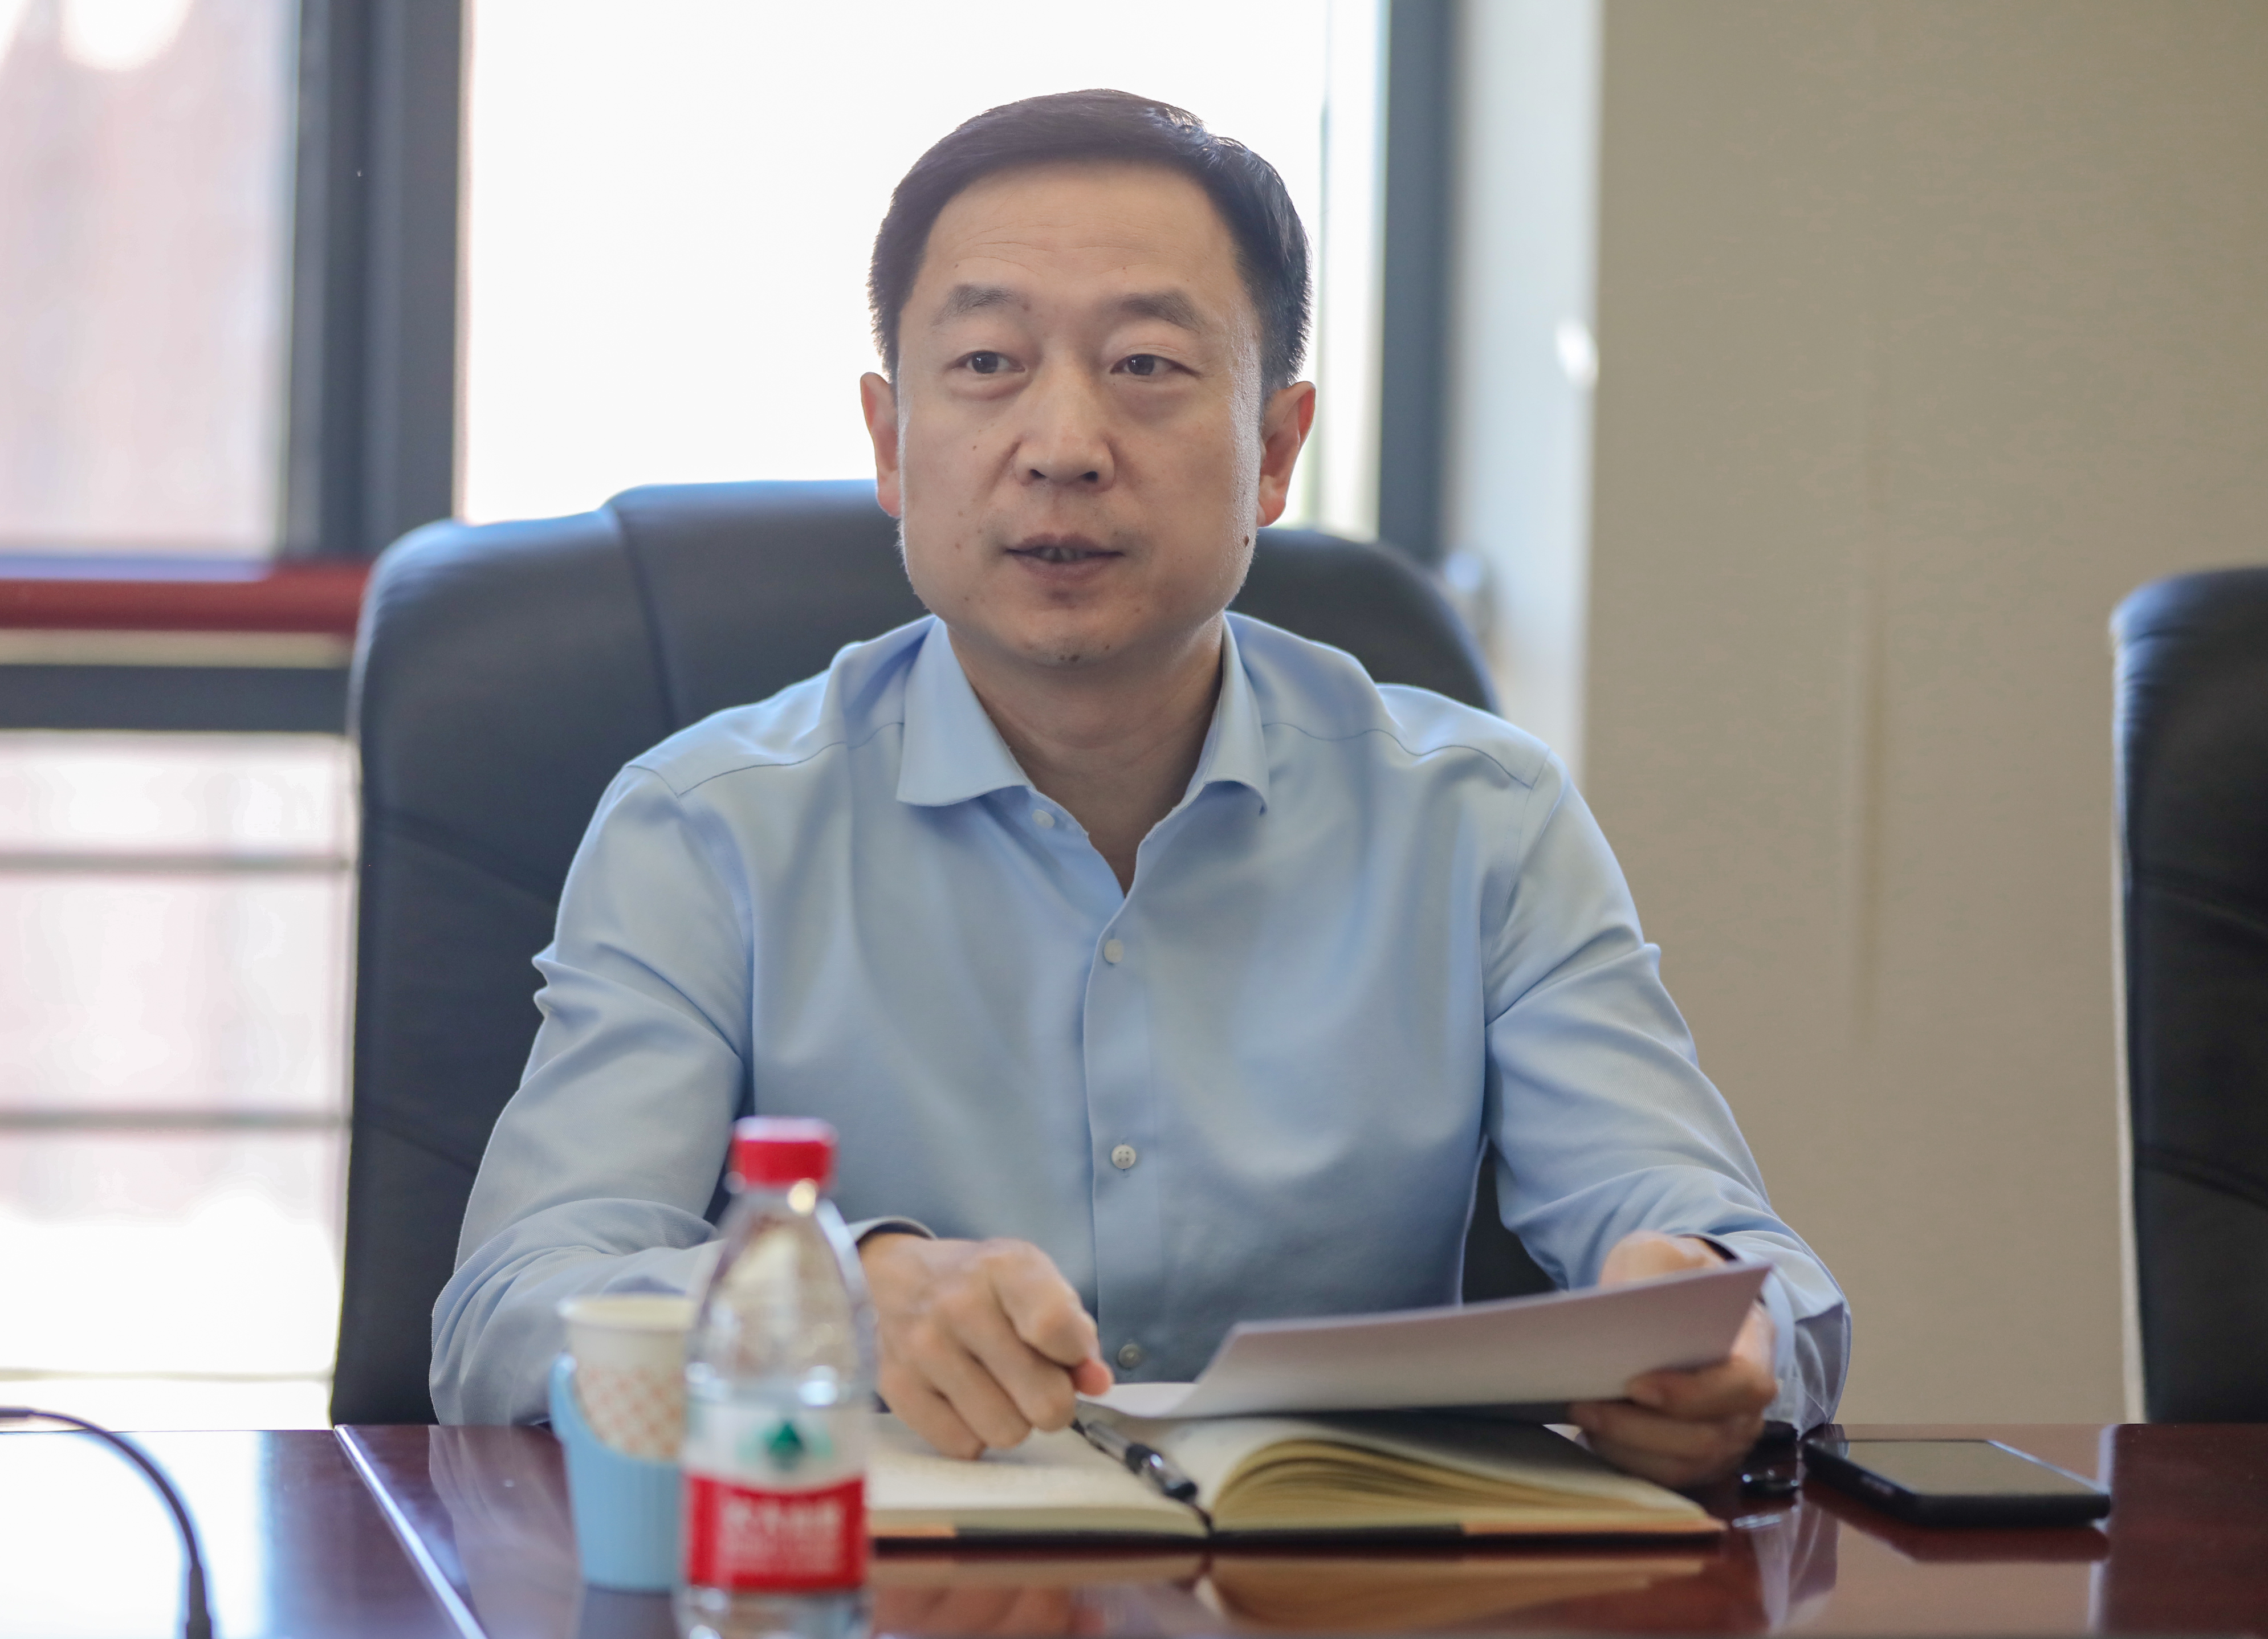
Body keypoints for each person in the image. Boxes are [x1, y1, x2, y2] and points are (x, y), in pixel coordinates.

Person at [432, 89, 1848, 1486]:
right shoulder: (706, 828)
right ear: (890, 442)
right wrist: (837, 1299)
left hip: (1336, 1580)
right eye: (988, 361)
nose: (1064, 444)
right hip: (853, 1584)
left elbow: (1747, 1268)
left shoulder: (1482, 820)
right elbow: (511, 1311)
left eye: (1148, 365)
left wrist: (1711, 1331)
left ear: (1275, 452)